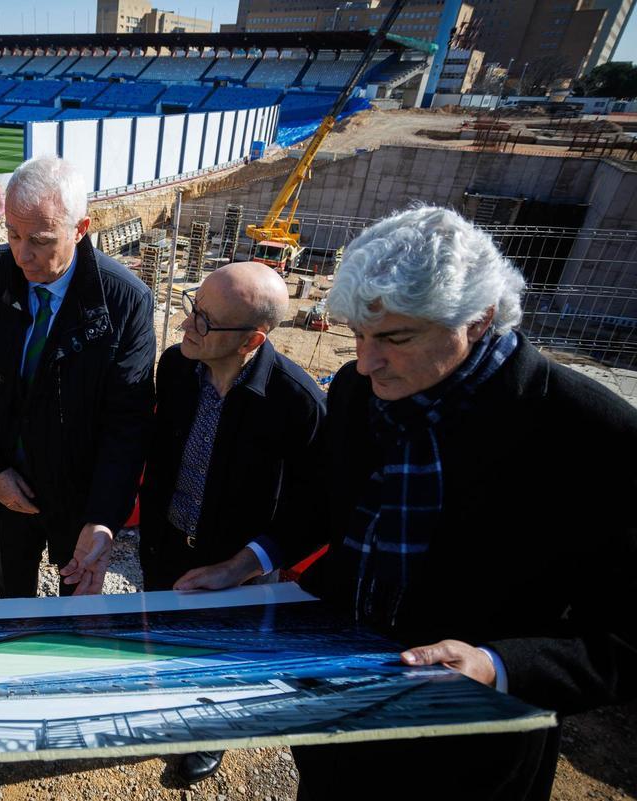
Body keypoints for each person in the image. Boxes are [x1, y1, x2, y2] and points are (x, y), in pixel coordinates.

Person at [175, 206, 637, 800]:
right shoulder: (354, 390)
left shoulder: (590, 436)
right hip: (338, 725)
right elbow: (321, 500)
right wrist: (249, 560)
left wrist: (496, 665)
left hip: (467, 756)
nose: (366, 361)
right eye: (359, 336)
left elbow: (623, 641)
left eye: (395, 338)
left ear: (478, 319)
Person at [139, 262, 325, 784]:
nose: (184, 328)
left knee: (227, 655)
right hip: (166, 543)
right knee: (170, 637)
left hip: (239, 567)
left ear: (252, 340)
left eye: (203, 321)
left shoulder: (299, 404)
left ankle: (214, 730)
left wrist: (244, 565)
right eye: (191, 310)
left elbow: (317, 509)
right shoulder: (176, 367)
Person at [0, 156, 155, 599]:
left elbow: (127, 421)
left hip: (79, 499)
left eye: (40, 241)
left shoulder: (124, 302)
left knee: (75, 604)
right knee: (12, 592)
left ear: (81, 229)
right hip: (9, 486)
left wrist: (101, 518)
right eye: (13, 235)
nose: (23, 255)